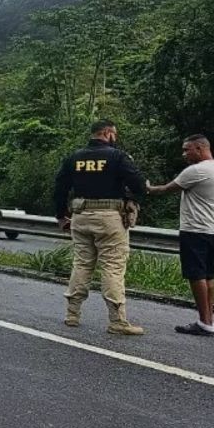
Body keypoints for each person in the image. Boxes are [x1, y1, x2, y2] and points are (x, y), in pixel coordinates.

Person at [53, 120, 147, 335]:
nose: (116, 138)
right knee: (112, 266)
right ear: (107, 133)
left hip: (80, 215)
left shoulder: (74, 157)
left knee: (82, 264)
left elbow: (59, 189)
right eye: (114, 134)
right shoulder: (118, 157)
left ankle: (72, 315)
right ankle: (117, 321)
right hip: (109, 217)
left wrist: (61, 216)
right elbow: (139, 185)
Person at [146, 134, 214, 337]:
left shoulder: (197, 170)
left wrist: (148, 188)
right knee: (208, 274)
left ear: (200, 148)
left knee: (196, 274)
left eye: (187, 149)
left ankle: (204, 322)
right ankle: (209, 320)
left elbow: (167, 189)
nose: (184, 154)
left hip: (195, 229)